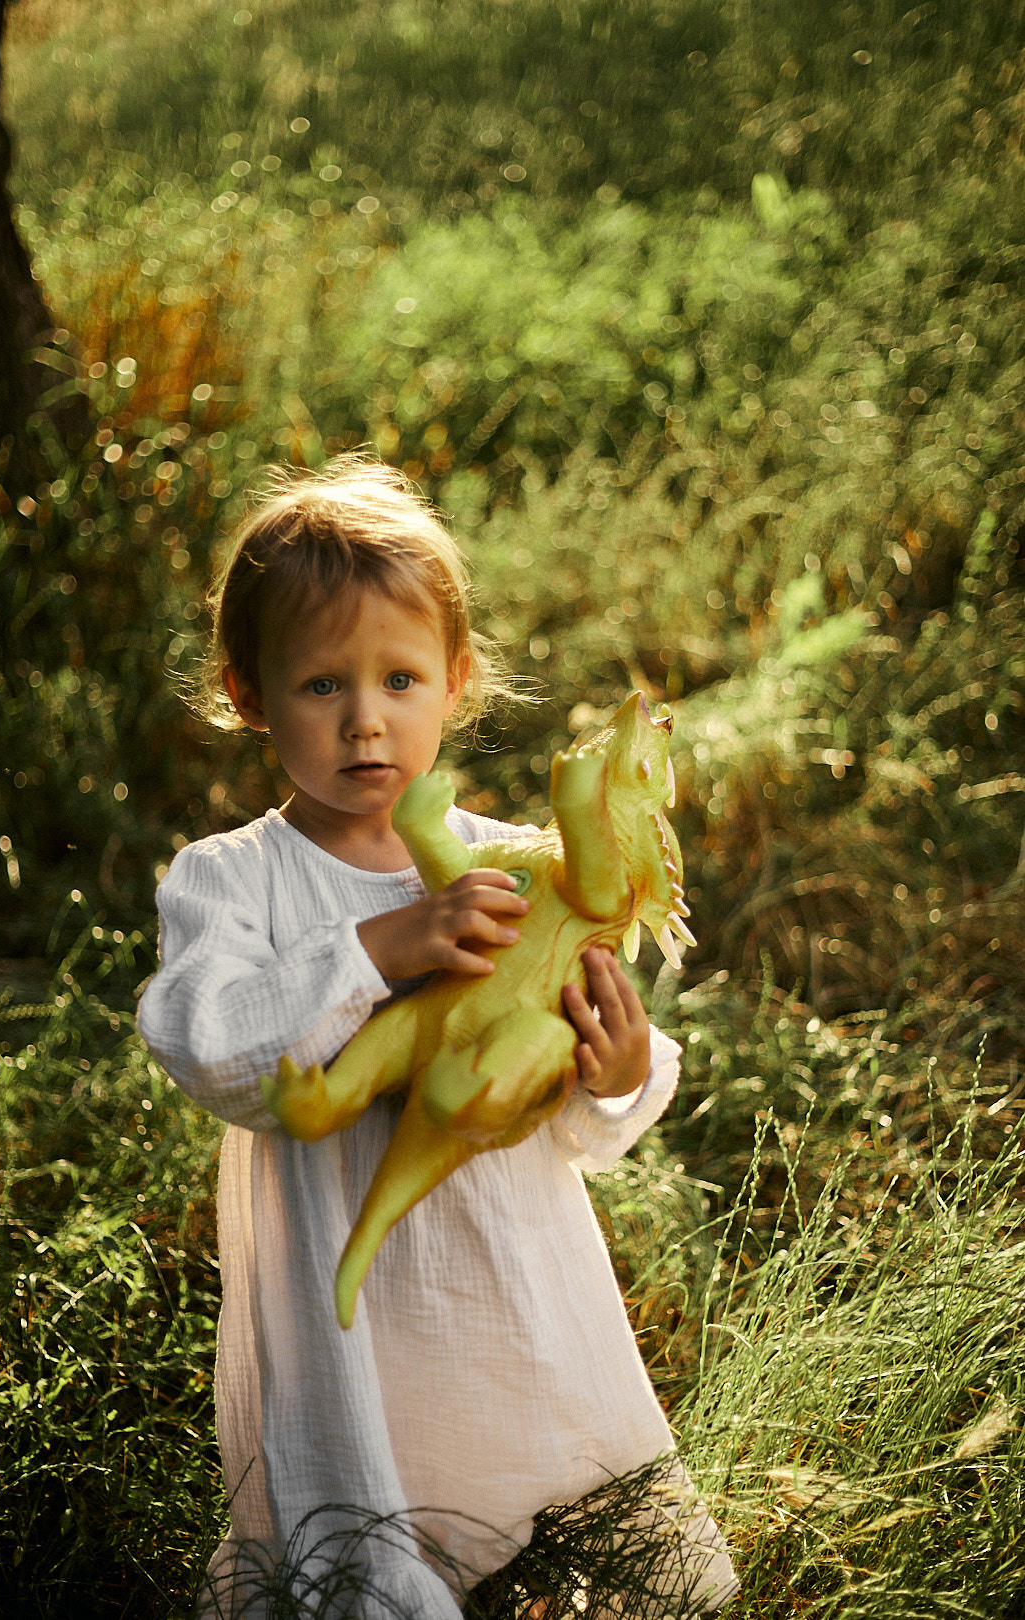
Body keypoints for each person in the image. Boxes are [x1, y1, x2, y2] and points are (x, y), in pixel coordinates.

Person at [138, 458, 738, 1618]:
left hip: (510, 1276)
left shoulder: (522, 862)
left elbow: (570, 1083)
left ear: (456, 682)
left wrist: (616, 1068)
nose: (367, 719)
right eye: (321, 685)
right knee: (369, 1535)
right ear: (248, 691)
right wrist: (377, 948)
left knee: (563, 1515)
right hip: (343, 1308)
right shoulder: (234, 879)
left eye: (400, 678)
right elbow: (210, 1044)